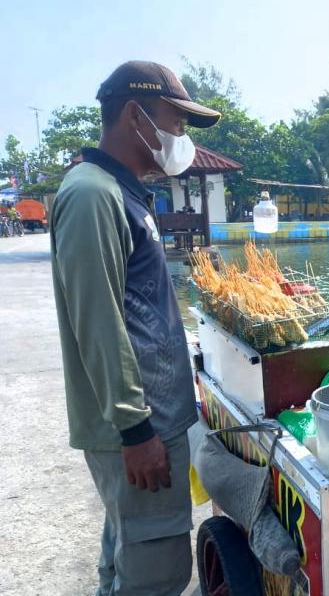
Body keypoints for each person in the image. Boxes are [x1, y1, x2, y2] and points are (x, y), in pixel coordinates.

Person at [50, 61, 220, 595]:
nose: (180, 138)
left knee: (129, 553)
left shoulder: (121, 192)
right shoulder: (91, 194)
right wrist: (135, 430)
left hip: (156, 418)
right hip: (139, 430)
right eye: (176, 122)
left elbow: (140, 307)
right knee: (155, 572)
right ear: (134, 115)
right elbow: (97, 321)